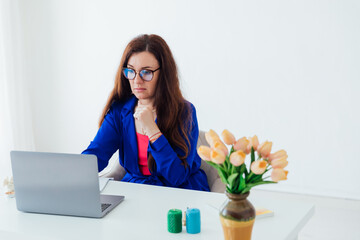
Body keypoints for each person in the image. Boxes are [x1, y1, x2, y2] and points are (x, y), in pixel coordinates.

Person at [82, 34, 210, 191]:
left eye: (146, 72)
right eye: (131, 71)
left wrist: (152, 129)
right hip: (138, 191)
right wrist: (66, 175)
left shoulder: (185, 112)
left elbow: (176, 177)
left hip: (179, 192)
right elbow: (96, 155)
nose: (137, 80)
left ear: (163, 74)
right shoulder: (120, 111)